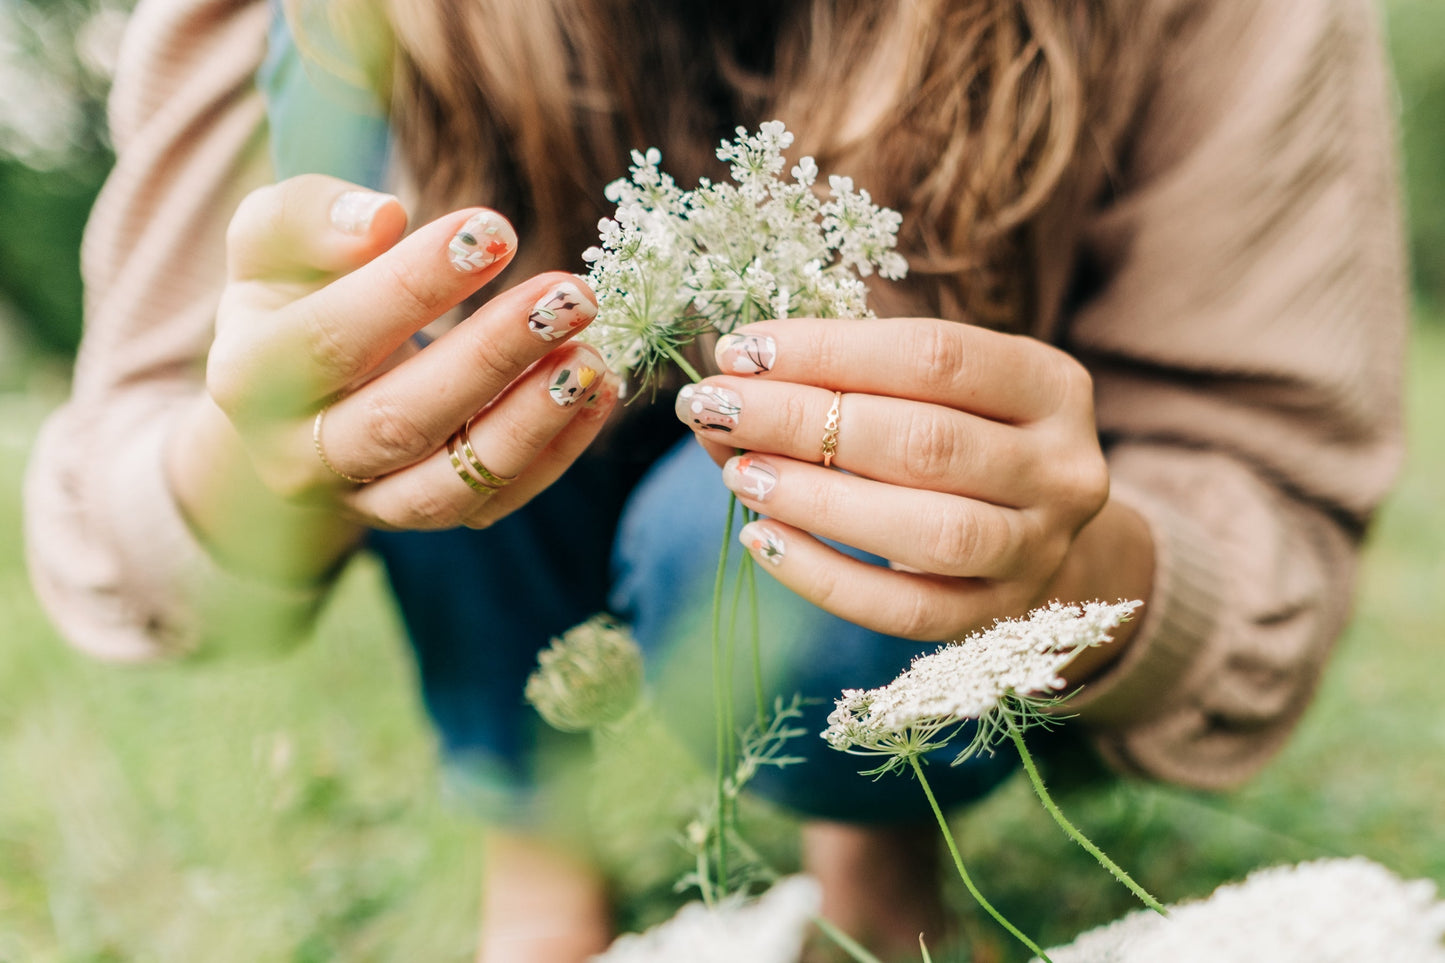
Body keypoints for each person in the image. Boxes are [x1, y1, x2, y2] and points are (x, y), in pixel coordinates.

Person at [23, 0, 1407, 959]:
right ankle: (532, 829)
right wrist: (277, 448)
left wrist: (1067, 564)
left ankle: (872, 849)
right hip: (498, 498)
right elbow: (125, 519)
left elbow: (1261, 482)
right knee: (411, 219)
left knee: (775, 509)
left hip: (891, 589)